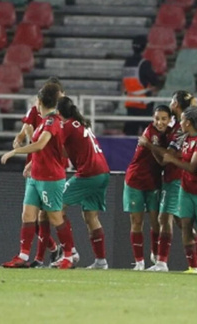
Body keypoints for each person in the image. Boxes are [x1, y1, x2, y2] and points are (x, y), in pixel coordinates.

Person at [0, 83, 76, 269]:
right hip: (35, 177)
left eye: (36, 100)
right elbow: (46, 150)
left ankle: (69, 256)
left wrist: (14, 152)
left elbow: (41, 145)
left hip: (50, 178)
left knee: (56, 218)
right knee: (27, 215)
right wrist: (31, 163)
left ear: (41, 101)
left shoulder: (52, 121)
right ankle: (23, 256)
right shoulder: (44, 121)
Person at [143, 91, 197, 272]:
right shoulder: (182, 126)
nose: (170, 103)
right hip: (180, 177)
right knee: (182, 222)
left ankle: (162, 262)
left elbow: (168, 157)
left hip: (176, 177)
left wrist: (149, 145)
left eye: (173, 100)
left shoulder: (181, 129)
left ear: (176, 105)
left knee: (165, 218)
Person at [13, 77, 64, 268]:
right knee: (31, 215)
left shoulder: (57, 116)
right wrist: (19, 137)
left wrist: (17, 150)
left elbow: (50, 143)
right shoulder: (36, 110)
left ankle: (62, 253)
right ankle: (50, 250)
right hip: (35, 166)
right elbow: (27, 126)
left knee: (48, 216)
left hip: (50, 168)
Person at [57, 96, 111, 270]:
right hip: (102, 172)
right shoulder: (80, 123)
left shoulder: (66, 126)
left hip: (89, 173)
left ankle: (70, 252)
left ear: (59, 113)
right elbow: (66, 152)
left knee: (57, 206)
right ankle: (101, 261)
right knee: (90, 216)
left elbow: (55, 148)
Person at [161, 106, 197, 274]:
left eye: (182, 120)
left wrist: (171, 159)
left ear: (189, 122)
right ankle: (193, 266)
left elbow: (192, 167)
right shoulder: (185, 138)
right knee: (185, 225)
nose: (180, 123)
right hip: (186, 188)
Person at [123, 105, 171, 270]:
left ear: (170, 120)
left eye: (164, 119)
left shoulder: (168, 135)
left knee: (156, 222)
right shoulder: (152, 134)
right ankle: (139, 262)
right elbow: (162, 159)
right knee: (137, 221)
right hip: (135, 180)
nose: (160, 122)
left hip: (154, 182)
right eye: (157, 118)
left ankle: (155, 255)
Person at [122, 35, 161, 136]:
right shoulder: (144, 63)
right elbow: (154, 80)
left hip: (130, 102)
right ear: (145, 47)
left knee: (130, 134)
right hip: (143, 103)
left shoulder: (127, 63)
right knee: (147, 134)